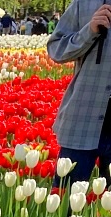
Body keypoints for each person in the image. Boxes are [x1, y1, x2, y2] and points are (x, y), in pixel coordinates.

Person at [47, 0, 111, 188]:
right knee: (65, 200)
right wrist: (89, 31)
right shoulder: (84, 4)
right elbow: (56, 50)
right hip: (83, 122)